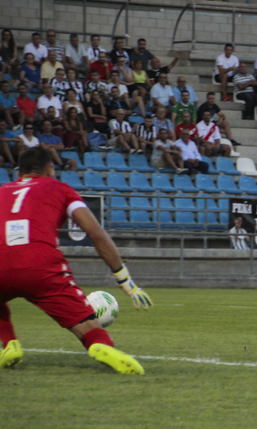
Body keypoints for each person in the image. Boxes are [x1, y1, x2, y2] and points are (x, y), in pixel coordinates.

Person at [0, 147, 151, 373]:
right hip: (42, 266)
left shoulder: (2, 190)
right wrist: (125, 281)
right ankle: (100, 345)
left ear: (19, 173)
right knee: (88, 326)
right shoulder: (60, 188)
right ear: (50, 169)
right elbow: (95, 232)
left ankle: (9, 343)